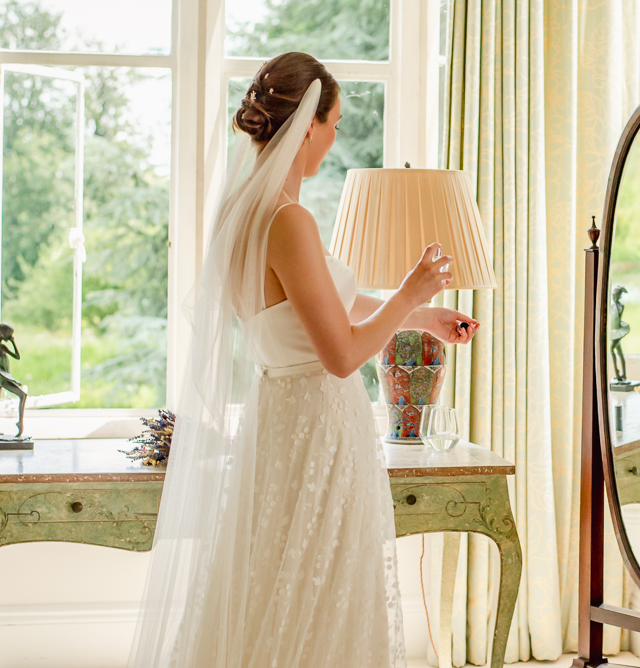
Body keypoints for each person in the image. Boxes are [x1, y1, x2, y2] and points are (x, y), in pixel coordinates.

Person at [127, 52, 479, 668]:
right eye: (335, 122)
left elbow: (317, 303)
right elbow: (341, 355)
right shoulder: (289, 220)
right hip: (318, 425)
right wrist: (409, 294)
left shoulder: (243, 214)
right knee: (324, 589)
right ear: (308, 124)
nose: (336, 136)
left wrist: (422, 316)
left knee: (276, 584)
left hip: (279, 419)